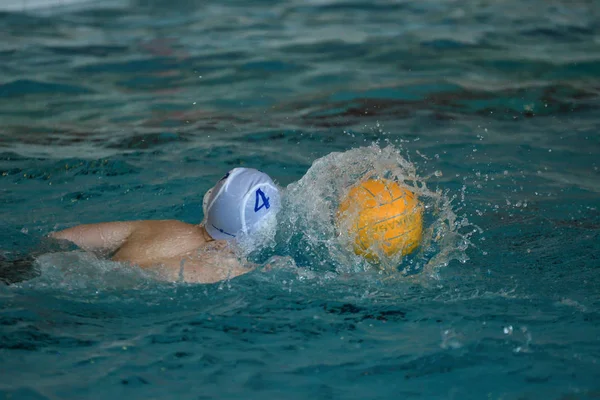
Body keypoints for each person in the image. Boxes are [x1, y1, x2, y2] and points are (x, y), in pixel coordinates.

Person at [49, 168, 281, 284]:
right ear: (264, 228)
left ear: (209, 201)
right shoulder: (236, 272)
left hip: (63, 275)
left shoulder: (159, 228)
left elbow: (61, 238)